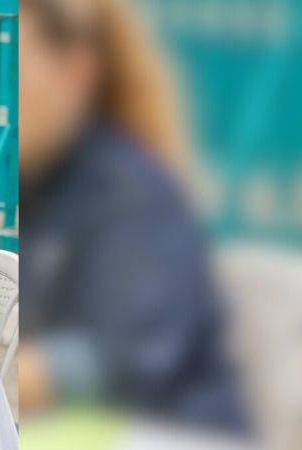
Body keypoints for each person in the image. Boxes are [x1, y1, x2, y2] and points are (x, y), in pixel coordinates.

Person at [18, 0, 246, 433]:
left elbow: (123, 357)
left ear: (77, 72)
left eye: (21, 76)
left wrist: (5, 373)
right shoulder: (42, 185)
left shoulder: (128, 188)